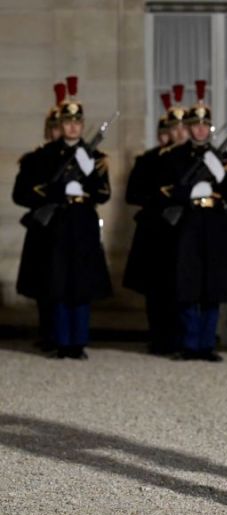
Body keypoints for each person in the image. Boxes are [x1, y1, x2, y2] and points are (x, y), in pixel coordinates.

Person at [13, 76, 112, 359]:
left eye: (77, 122)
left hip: (82, 223)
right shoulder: (42, 157)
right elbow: (22, 194)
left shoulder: (95, 157)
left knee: (81, 285)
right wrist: (55, 191)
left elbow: (103, 194)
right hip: (55, 226)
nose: (72, 126)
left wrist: (89, 173)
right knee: (57, 284)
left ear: (82, 124)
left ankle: (77, 342)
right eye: (67, 121)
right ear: (61, 123)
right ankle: (60, 340)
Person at [159, 80, 227, 362]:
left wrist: (221, 176)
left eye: (205, 125)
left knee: (212, 286)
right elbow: (164, 191)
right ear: (189, 127)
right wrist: (189, 193)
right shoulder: (175, 156)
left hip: (214, 224)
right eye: (195, 125)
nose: (201, 129)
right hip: (188, 223)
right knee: (189, 285)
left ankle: (206, 344)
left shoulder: (224, 158)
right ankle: (189, 344)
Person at [13, 81, 67, 352]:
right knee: (44, 284)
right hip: (44, 228)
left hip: (68, 226)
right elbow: (20, 194)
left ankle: (65, 336)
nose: (59, 132)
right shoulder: (34, 160)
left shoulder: (78, 157)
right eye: (55, 127)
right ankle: (48, 334)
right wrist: (46, 193)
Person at [122, 90, 177, 355]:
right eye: (167, 130)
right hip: (154, 231)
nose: (171, 135)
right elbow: (133, 194)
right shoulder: (148, 160)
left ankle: (177, 339)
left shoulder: (185, 158)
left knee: (178, 287)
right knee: (155, 290)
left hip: (179, 232)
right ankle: (158, 338)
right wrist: (159, 196)